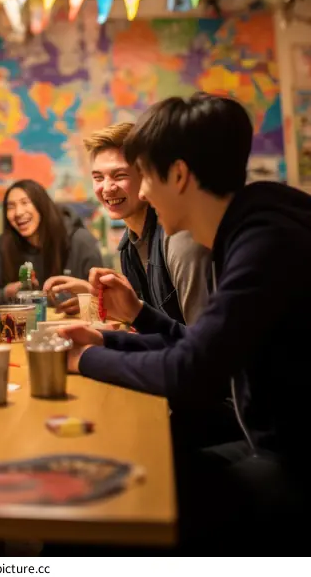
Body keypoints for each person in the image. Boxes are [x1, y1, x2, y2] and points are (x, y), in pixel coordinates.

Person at [64, 94, 311, 550]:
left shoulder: (264, 242)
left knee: (105, 502)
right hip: (266, 439)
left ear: (178, 176)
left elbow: (191, 371)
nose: (140, 194)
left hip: (290, 462)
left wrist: (86, 359)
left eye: (143, 176)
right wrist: (106, 340)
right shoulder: (248, 227)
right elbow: (200, 343)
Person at [62, 123, 210, 324]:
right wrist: (96, 297)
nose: (107, 188)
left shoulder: (178, 237)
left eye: (120, 175)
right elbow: (147, 324)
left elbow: (205, 338)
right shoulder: (129, 246)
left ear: (147, 176)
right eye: (98, 178)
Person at [0, 179, 102, 310]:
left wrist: (83, 299)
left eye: (25, 202)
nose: (18, 212)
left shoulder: (80, 241)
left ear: (42, 205)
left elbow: (102, 297)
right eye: (11, 207)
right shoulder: (0, 247)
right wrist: (5, 293)